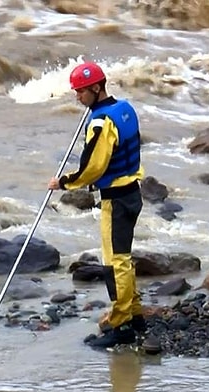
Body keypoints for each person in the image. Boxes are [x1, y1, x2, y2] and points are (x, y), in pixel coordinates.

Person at [48, 61, 146, 349]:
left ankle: (122, 324)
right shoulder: (125, 108)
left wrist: (64, 182)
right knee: (123, 258)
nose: (77, 97)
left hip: (116, 199)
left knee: (114, 264)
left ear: (95, 87)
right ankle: (135, 314)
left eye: (80, 92)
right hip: (132, 192)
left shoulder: (101, 123)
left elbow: (93, 167)